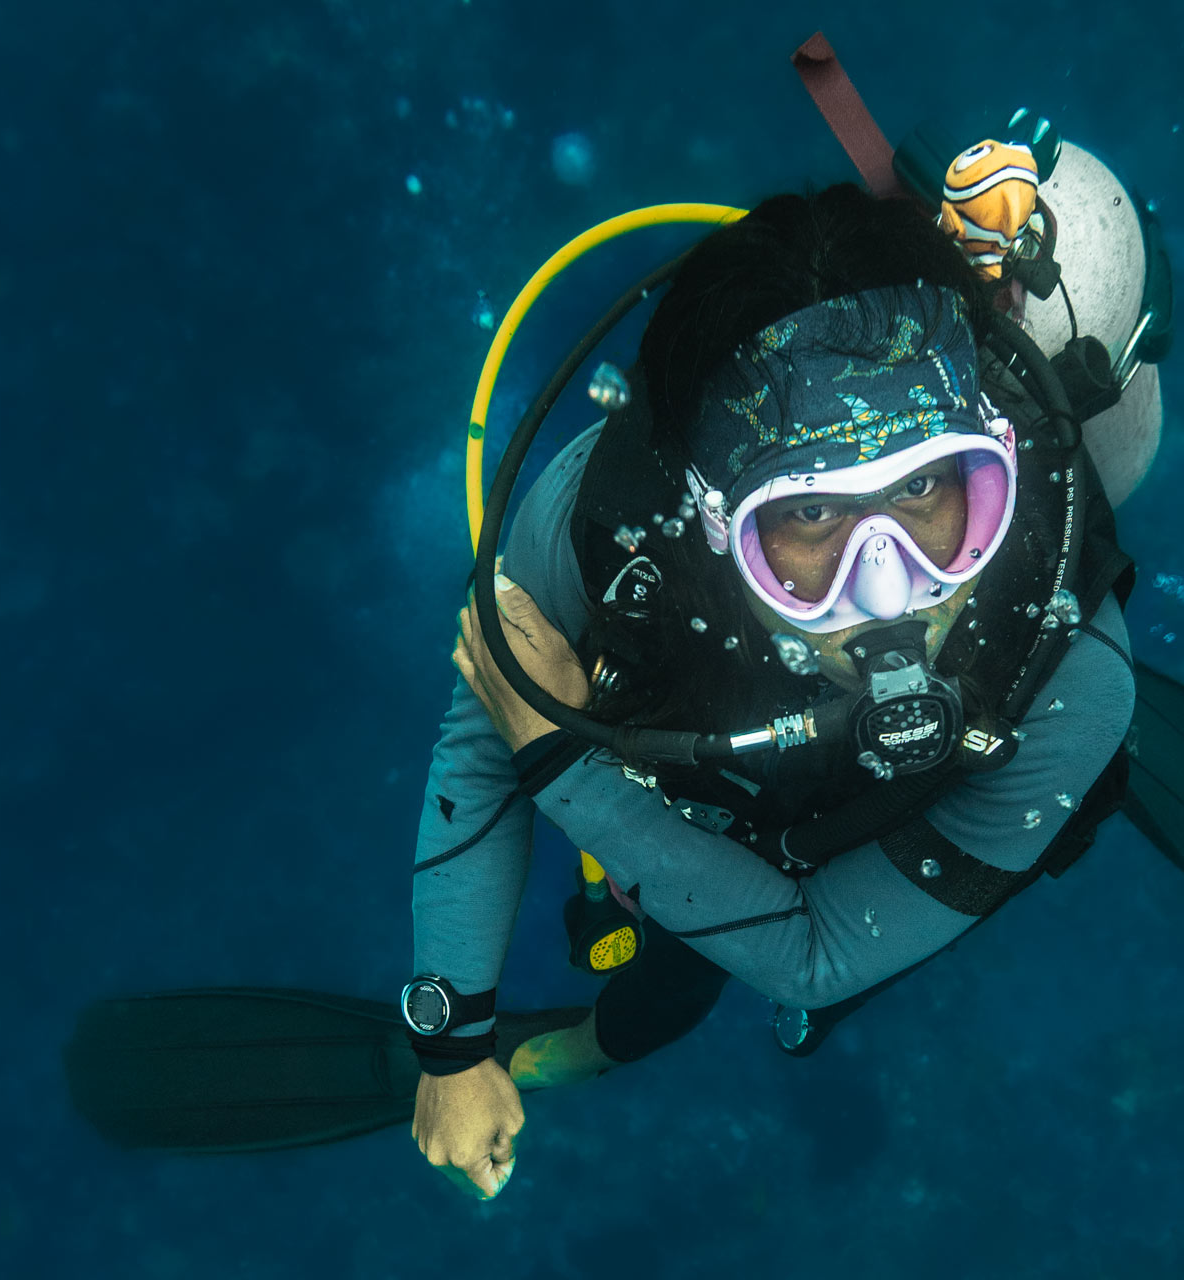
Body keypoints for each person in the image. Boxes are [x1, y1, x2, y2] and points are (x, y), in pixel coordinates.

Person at [409, 183, 1143, 1198]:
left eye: (926, 488)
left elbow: (820, 948)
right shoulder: (607, 520)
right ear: (711, 518)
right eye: (807, 516)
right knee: (667, 983)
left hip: (880, 838)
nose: (886, 587)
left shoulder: (1068, 681)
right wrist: (452, 1041)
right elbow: (482, 718)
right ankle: (573, 1049)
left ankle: (583, 1051)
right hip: (706, 818)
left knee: (796, 985)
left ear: (996, 463)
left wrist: (559, 754)